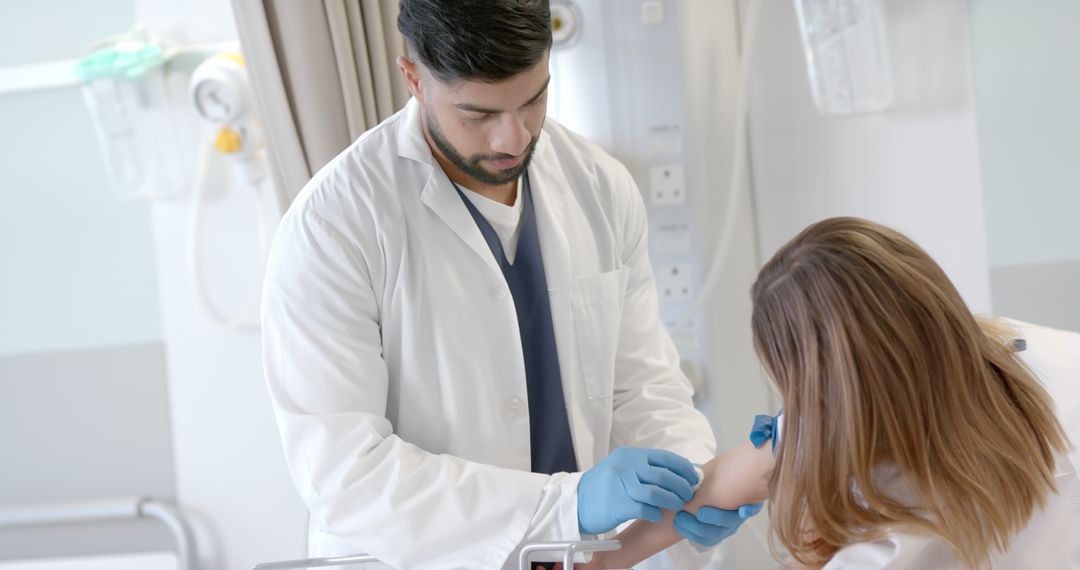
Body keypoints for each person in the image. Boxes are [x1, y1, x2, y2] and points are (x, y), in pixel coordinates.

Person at [260, 1, 758, 568]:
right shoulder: (335, 226)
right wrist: (569, 505)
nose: (513, 138)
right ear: (413, 78)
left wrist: (692, 477)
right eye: (477, 114)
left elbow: (641, 385)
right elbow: (345, 474)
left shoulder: (600, 186)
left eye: (534, 99)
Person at [575, 217, 1079, 569]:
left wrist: (806, 535)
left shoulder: (886, 540)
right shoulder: (1027, 353)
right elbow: (729, 478)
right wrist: (602, 559)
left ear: (830, 389)